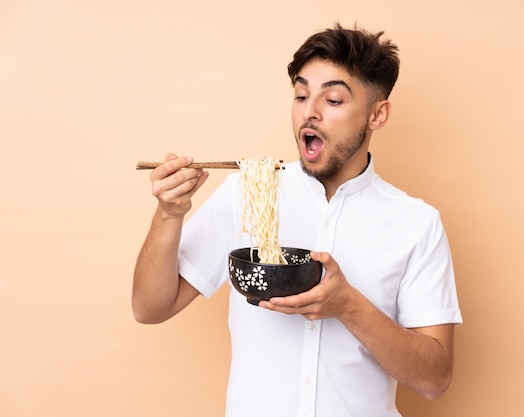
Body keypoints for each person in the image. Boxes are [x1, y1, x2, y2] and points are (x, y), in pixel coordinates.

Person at [133, 23, 462, 417]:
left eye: (334, 100)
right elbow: (149, 308)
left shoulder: (416, 224)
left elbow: (435, 379)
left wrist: (348, 305)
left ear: (377, 114)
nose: (310, 112)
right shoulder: (246, 193)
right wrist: (169, 214)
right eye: (301, 95)